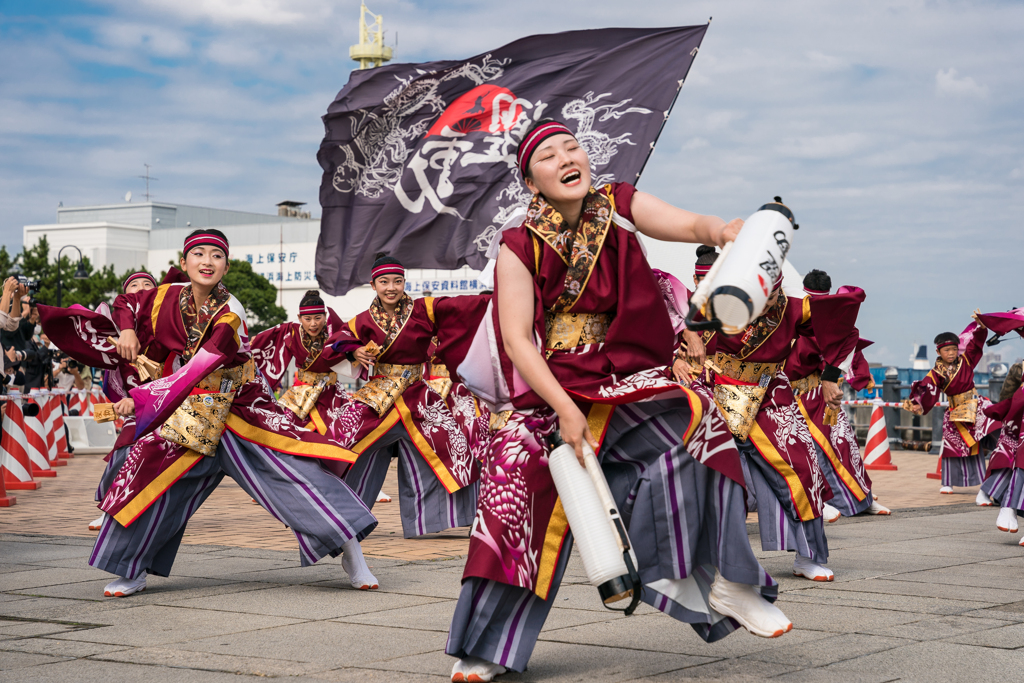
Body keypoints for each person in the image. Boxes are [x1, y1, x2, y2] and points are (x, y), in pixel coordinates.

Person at [446, 119, 790, 683]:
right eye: (548, 156)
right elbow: (516, 340)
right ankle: (486, 647)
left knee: (703, 429)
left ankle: (728, 581)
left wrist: (723, 231)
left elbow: (685, 223)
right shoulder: (518, 245)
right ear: (531, 182)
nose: (565, 158)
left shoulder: (619, 205)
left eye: (572, 147)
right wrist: (565, 409)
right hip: (553, 389)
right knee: (513, 503)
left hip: (623, 375)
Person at [40, 230, 379, 597]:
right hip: (194, 409)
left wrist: (145, 397)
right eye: (198, 254)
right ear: (184, 263)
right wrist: (126, 330)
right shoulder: (164, 297)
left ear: (226, 266)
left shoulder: (231, 311)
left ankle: (352, 553)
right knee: (149, 474)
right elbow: (126, 301)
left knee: (296, 473)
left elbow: (204, 362)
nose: (206, 261)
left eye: (215, 256)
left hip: (240, 407)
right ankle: (132, 569)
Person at [692, 258, 863, 584]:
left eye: (773, 292)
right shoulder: (717, 301)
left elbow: (843, 328)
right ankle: (699, 555)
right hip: (718, 389)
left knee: (803, 465)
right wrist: (692, 339)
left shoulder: (795, 309)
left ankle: (808, 556)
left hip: (771, 391)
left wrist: (829, 375)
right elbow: (676, 324)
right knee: (703, 472)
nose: (766, 300)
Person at [323, 255, 488, 539]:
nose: (391, 288)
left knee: (453, 445)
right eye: (384, 282)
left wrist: (501, 297)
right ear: (373, 285)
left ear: (404, 283)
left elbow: (461, 307)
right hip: (377, 396)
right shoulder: (362, 321)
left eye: (397, 281)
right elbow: (334, 343)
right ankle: (333, 514)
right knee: (339, 442)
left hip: (419, 395)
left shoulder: (424, 310)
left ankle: (443, 518)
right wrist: (353, 351)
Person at [785, 270, 889, 518]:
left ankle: (861, 499)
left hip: (822, 391)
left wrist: (860, 376)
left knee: (844, 443)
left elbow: (849, 340)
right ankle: (818, 501)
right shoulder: (791, 312)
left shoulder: (833, 318)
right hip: (791, 394)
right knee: (805, 449)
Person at [905, 315, 999, 494]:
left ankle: (986, 480)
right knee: (951, 449)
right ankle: (947, 482)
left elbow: (976, 345)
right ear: (938, 352)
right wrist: (917, 403)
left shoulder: (967, 361)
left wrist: (980, 328)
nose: (951, 353)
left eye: (954, 349)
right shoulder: (935, 373)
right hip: (955, 412)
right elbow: (926, 388)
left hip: (975, 408)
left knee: (989, 435)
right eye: (946, 350)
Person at [249, 289, 347, 435]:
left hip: (331, 393)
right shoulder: (291, 331)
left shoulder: (336, 333)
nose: (313, 324)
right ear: (299, 318)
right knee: (288, 433)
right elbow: (265, 339)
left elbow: (354, 341)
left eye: (318, 318)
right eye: (307, 319)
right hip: (301, 393)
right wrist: (252, 344)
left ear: (325, 316)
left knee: (341, 432)